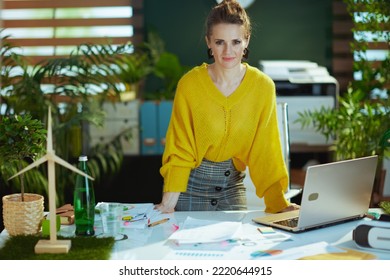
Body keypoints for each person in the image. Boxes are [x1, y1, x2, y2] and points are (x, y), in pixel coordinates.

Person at [155, 0, 299, 214]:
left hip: (232, 187)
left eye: (236, 42)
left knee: (239, 247)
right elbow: (180, 148)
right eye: (220, 42)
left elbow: (266, 149)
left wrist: (278, 203)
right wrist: (168, 204)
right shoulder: (190, 84)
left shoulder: (263, 87)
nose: (228, 51)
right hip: (191, 189)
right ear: (209, 43)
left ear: (246, 41)